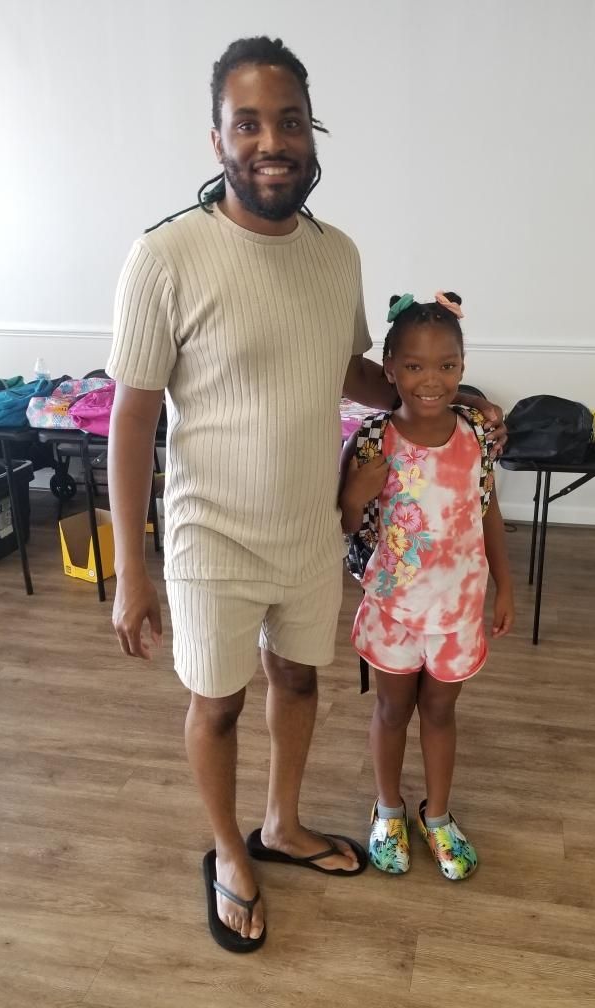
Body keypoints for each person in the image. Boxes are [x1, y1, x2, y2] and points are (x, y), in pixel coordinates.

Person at [106, 36, 507, 952]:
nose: (270, 141)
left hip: (309, 530)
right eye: (247, 123)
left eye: (288, 121)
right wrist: (133, 570)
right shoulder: (165, 256)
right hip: (211, 537)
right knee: (218, 702)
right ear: (217, 139)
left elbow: (351, 371)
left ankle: (281, 825)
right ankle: (227, 853)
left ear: (312, 131)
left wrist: (447, 395)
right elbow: (131, 420)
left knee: (298, 677)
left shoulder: (337, 256)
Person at [338, 292, 515, 881]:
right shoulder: (371, 439)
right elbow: (344, 521)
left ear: (462, 368)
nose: (430, 379)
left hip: (459, 609)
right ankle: (388, 809)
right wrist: (358, 490)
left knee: (440, 713)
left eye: (447, 365)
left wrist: (505, 586)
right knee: (392, 710)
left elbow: (487, 510)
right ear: (389, 369)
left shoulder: (477, 437)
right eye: (414, 366)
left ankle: (435, 815)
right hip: (393, 607)